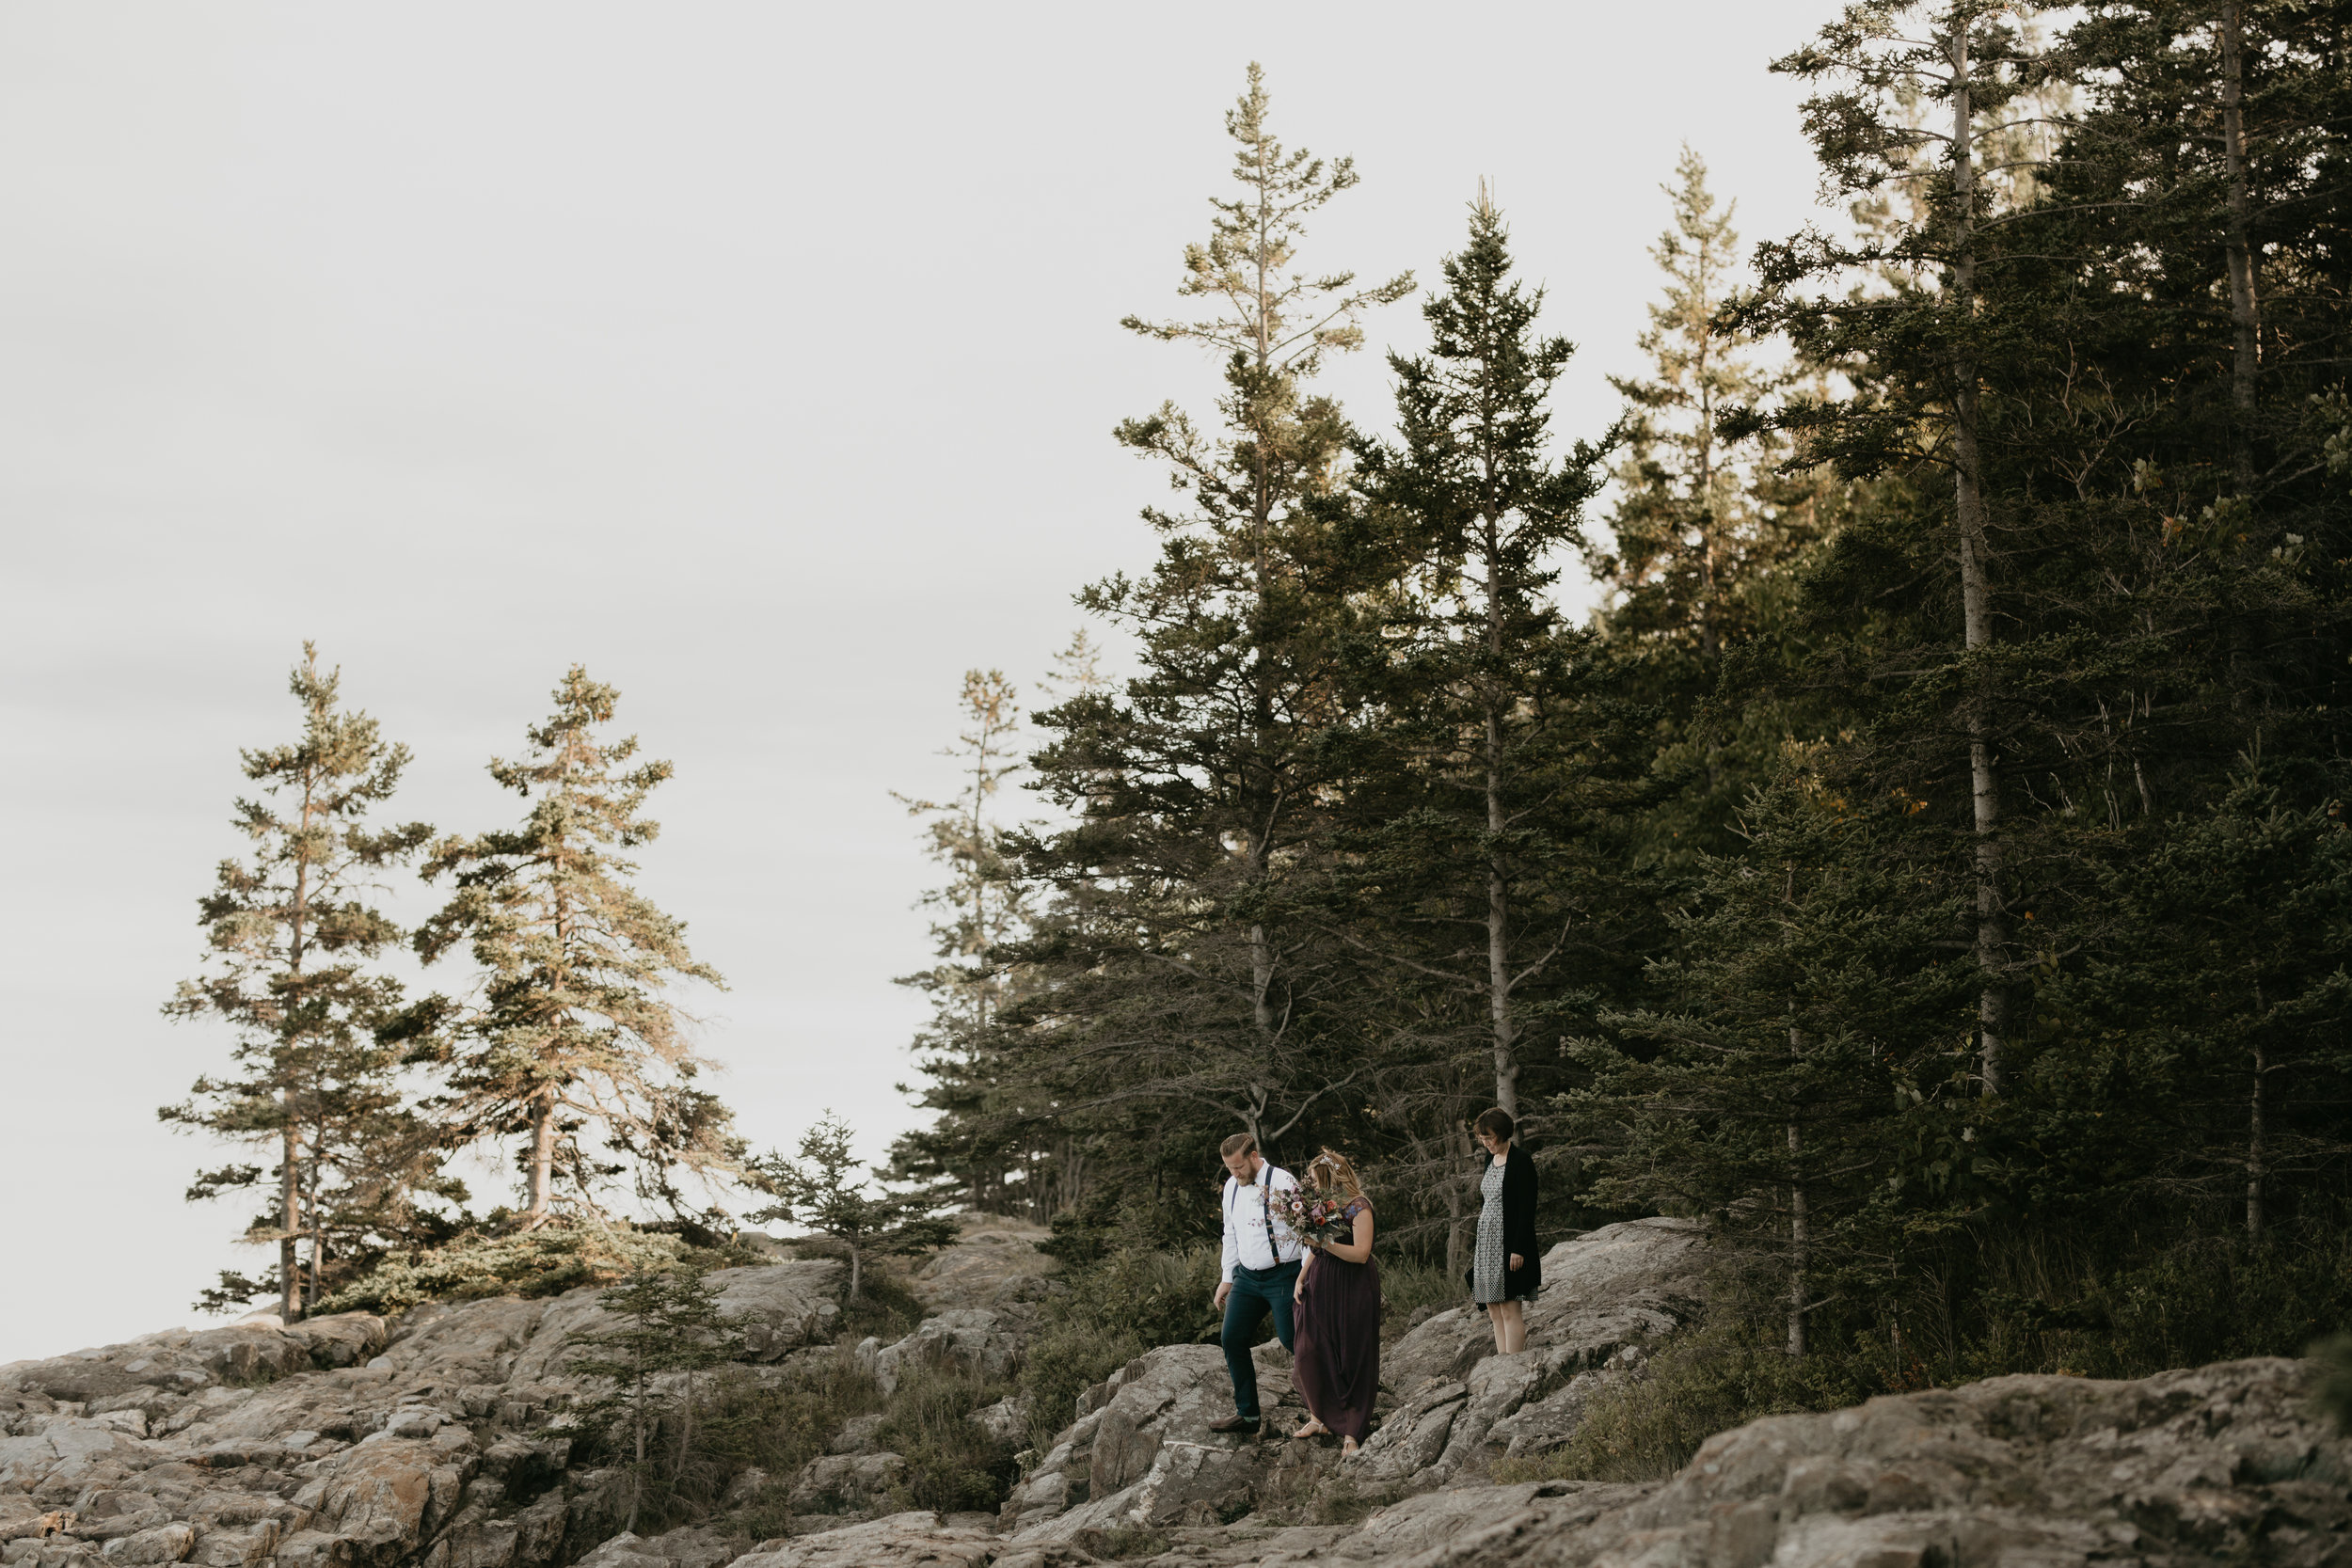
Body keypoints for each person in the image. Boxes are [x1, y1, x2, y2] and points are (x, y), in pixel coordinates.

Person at [1208, 1132, 1302, 1434]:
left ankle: (1327, 1401)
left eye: (1238, 1168)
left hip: (1285, 1274)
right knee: (1232, 1338)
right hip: (1246, 1277)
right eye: (1229, 1169)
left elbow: (1308, 1230)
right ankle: (1248, 1415)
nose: (1235, 1174)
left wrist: (1305, 1274)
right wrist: (1227, 1278)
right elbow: (1230, 1234)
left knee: (1292, 1340)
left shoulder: (1284, 1182)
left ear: (1253, 1156)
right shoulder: (1232, 1188)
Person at [1289, 1148, 1379, 1456]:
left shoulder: (1358, 1207)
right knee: (1310, 1350)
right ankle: (1320, 1416)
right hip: (1322, 1280)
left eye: (1315, 1181)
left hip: (1352, 1286)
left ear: (1331, 1178)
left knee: (1351, 1356)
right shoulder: (1324, 1206)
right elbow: (1316, 1248)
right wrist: (1302, 1277)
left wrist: (1324, 1242)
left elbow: (1361, 1253)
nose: (1311, 1187)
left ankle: (1352, 1431)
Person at [1469, 1107, 1539, 1354]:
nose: (1486, 1143)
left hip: (1509, 1243)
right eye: (1482, 1138)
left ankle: (1514, 1364)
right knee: (1493, 1309)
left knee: (1510, 1308)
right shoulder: (1490, 1159)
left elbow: (1526, 1209)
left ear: (1502, 1133)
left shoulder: (1521, 1161)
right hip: (1487, 1244)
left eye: (1490, 1137)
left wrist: (1518, 1248)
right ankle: (1502, 1363)